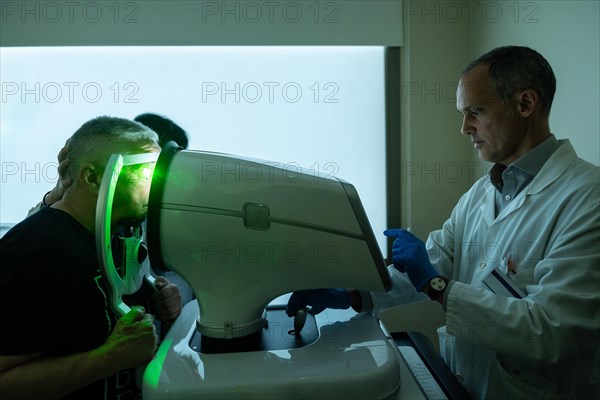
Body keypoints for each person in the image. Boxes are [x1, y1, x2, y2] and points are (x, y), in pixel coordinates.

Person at [286, 46, 600, 399]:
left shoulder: (588, 198)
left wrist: (437, 287)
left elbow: (551, 332)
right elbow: (433, 261)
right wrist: (352, 292)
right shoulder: (485, 190)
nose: (465, 128)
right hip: (459, 382)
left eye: (476, 112)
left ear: (525, 104)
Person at [0, 116, 181, 400]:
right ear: (93, 178)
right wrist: (108, 359)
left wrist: (156, 299)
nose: (157, 188)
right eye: (145, 174)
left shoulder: (121, 236)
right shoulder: (36, 252)